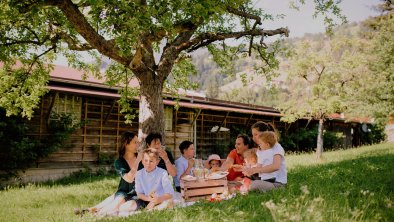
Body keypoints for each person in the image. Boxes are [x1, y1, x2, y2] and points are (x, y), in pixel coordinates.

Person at [76, 131, 142, 215]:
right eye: (135, 142)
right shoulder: (119, 162)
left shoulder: (144, 159)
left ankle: (93, 212)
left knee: (116, 205)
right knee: (115, 204)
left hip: (138, 194)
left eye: (138, 142)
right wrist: (138, 160)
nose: (138, 145)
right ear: (126, 143)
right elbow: (129, 179)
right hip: (124, 192)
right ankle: (92, 213)